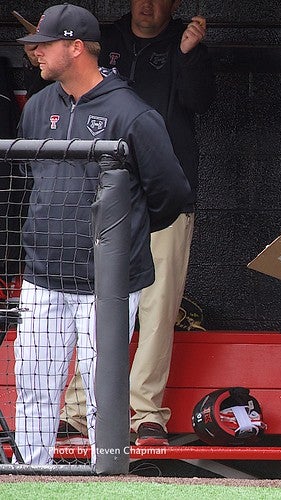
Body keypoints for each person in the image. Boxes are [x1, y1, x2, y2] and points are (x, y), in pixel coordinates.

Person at [13, 3, 191, 465]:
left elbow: (170, 193)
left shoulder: (131, 112)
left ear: (76, 48)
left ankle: (105, 480)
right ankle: (30, 477)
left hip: (107, 285)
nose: (35, 53)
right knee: (33, 384)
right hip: (43, 275)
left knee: (102, 394)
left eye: (44, 44)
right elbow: (33, 181)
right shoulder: (37, 106)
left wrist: (123, 237)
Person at [56, 0, 215, 447]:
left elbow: (200, 100)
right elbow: (64, 101)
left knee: (158, 305)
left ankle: (146, 413)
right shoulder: (100, 39)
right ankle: (80, 411)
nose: (147, 5)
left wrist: (187, 55)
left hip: (165, 191)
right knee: (95, 302)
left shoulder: (187, 41)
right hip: (104, 193)